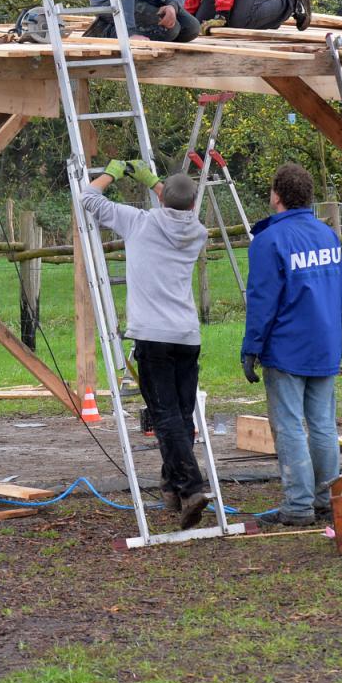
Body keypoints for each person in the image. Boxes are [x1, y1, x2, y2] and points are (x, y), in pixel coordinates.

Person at [81, 159, 212, 529]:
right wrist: (154, 181)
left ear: (162, 200)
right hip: (187, 336)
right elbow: (178, 207)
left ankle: (192, 488)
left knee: (165, 415)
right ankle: (173, 488)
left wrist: (111, 173)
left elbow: (88, 197)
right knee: (181, 415)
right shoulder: (197, 231)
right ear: (192, 203)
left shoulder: (138, 222)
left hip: (153, 337)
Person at [240, 163, 342, 527]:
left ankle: (298, 506)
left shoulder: (269, 241)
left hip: (287, 347)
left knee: (288, 426)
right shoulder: (328, 236)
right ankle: (327, 500)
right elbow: (338, 293)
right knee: (323, 425)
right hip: (325, 343)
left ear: (277, 196)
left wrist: (251, 347)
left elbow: (262, 300)